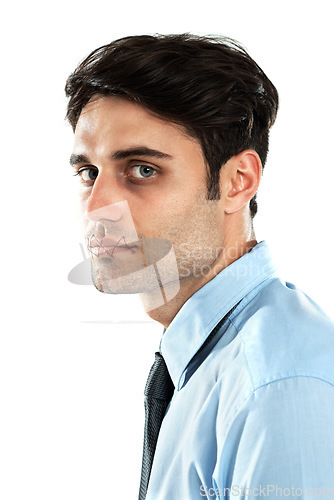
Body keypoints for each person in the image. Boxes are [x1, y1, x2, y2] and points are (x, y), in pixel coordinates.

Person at [65, 34, 334, 499]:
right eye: (89, 173)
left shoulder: (277, 386)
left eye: (142, 169)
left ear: (236, 182)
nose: (97, 206)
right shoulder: (212, 363)